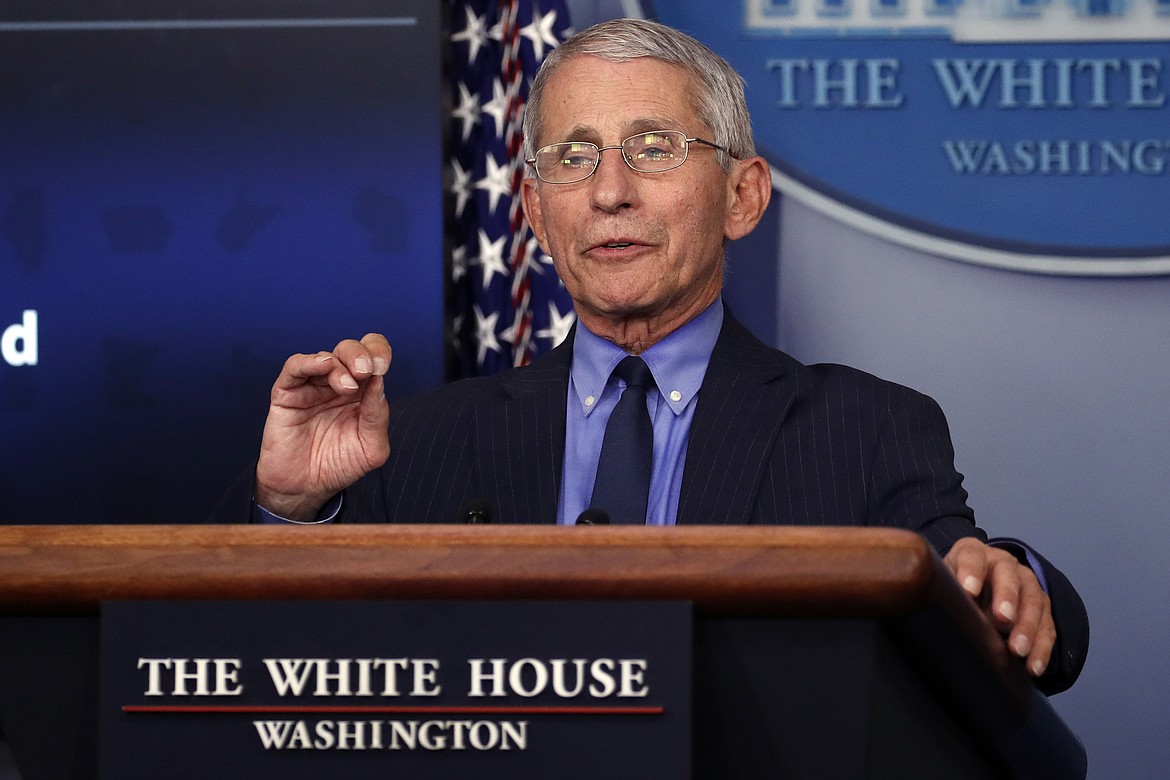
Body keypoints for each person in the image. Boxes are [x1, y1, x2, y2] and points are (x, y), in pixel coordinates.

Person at [241, 18, 1087, 694]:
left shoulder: (865, 428)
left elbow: (997, 610)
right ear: (535, 211)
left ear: (742, 196)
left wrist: (1007, 577)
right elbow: (272, 670)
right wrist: (291, 509)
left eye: (653, 148)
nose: (609, 191)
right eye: (574, 157)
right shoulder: (419, 443)